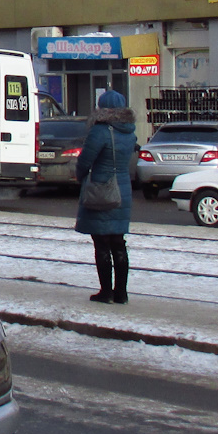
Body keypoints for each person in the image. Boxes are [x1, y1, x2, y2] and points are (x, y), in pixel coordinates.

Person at [75, 90, 137, 304]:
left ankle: (106, 292)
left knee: (101, 242)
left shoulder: (100, 131)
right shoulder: (130, 132)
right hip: (123, 189)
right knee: (118, 242)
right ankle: (122, 293)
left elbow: (85, 161)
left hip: (101, 189)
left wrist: (80, 176)